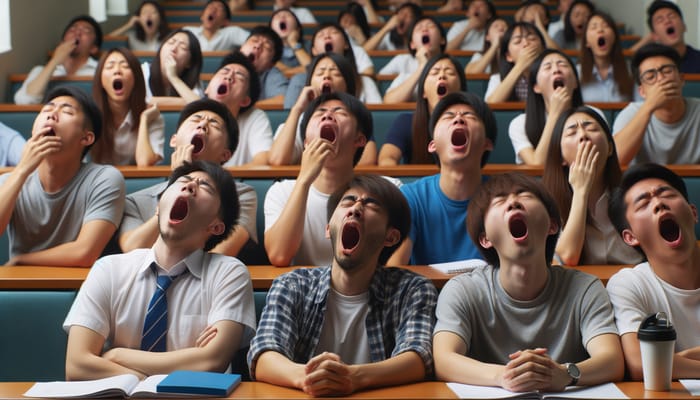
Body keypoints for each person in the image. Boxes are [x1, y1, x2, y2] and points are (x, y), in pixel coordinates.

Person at [64, 160, 256, 380]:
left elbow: (211, 361)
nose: (190, 186)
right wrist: (147, 380)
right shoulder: (108, 269)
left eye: (205, 187)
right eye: (183, 181)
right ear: (158, 207)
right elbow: (77, 366)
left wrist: (116, 355)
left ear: (216, 226)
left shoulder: (229, 274)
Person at [433, 172, 624, 391]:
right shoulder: (463, 290)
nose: (513, 202)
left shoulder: (584, 288)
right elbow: (443, 359)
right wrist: (502, 376)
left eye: (524, 195)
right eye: (500, 200)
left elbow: (612, 360)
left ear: (552, 226)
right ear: (485, 238)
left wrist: (565, 374)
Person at [248, 174, 437, 396]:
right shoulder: (292, 285)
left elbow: (418, 357)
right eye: (348, 201)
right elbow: (264, 354)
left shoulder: (412, 290)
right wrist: (306, 377)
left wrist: (354, 378)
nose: (355, 209)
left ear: (391, 237)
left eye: (370, 204)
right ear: (328, 229)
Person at [119, 99, 259, 262]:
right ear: (173, 140)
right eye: (196, 119)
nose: (203, 125)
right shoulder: (135, 201)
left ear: (225, 155)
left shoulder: (241, 195)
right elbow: (132, 251)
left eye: (214, 124)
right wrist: (177, 183)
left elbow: (219, 254)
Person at [0, 86, 125, 267]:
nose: (51, 115)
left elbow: (85, 252)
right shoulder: (9, 181)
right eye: (47, 110)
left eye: (66, 111)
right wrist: (21, 170)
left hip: (79, 287)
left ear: (86, 138)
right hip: (17, 289)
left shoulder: (104, 179)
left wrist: (21, 260)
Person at [606, 163, 700, 380]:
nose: (659, 204)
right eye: (643, 203)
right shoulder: (628, 284)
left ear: (693, 212)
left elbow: (655, 364)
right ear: (630, 237)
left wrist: (671, 361)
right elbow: (640, 364)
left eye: (666, 194)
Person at [388, 92, 496, 265]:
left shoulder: (503, 197)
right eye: (449, 116)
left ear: (487, 144)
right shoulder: (410, 197)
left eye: (469, 116)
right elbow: (395, 268)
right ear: (432, 145)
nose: (459, 119)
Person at [264, 92, 372, 267]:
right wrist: (304, 181)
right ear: (306, 142)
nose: (328, 115)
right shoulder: (281, 192)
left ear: (359, 139)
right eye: (319, 112)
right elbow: (279, 255)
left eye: (340, 112)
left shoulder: (383, 191)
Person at [542, 106, 643, 266]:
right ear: (561, 157)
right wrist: (580, 191)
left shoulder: (633, 193)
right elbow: (568, 256)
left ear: (610, 148)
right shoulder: (547, 202)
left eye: (591, 128)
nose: (583, 135)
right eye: (572, 132)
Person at [271, 53, 379, 167]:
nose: (326, 76)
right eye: (320, 73)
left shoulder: (353, 121)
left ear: (348, 85)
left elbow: (367, 160)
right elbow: (278, 160)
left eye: (336, 73)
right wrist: (297, 109)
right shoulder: (298, 121)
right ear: (310, 82)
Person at [612, 43, 700, 166]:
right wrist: (649, 106)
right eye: (650, 76)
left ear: (681, 79)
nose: (661, 79)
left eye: (667, 71)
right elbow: (616, 160)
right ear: (642, 91)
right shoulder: (631, 114)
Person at [379, 54, 466, 165]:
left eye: (450, 73)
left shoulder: (469, 124)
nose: (442, 76)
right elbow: (386, 159)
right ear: (423, 92)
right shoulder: (406, 121)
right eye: (435, 72)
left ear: (461, 90)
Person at [508, 49, 584, 165]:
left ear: (575, 83)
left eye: (562, 64)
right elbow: (537, 164)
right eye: (548, 67)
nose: (556, 70)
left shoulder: (592, 116)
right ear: (536, 87)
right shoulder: (519, 124)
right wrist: (555, 113)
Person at [91, 48, 164, 166]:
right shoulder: (90, 116)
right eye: (110, 67)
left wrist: (144, 120)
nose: (117, 71)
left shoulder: (152, 116)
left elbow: (145, 164)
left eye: (125, 66)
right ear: (101, 80)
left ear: (136, 78)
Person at [284, 23, 378, 108]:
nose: (327, 36)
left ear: (346, 44)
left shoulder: (364, 81)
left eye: (334, 32)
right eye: (321, 35)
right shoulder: (300, 80)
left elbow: (378, 114)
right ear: (314, 50)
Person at [14, 15, 102, 105]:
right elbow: (25, 102)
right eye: (72, 29)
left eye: (86, 31)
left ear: (94, 48)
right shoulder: (39, 71)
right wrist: (55, 60)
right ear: (62, 42)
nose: (77, 33)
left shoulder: (101, 71)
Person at [204, 51, 272, 167]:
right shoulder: (194, 117)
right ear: (207, 88)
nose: (229, 77)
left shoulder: (255, 117)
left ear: (245, 101)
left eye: (239, 76)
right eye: (224, 72)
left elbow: (262, 161)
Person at [381, 16, 447, 103]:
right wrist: (422, 67)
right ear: (412, 44)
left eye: (430, 26)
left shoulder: (451, 69)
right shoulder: (405, 77)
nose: (424, 29)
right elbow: (388, 102)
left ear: (442, 39)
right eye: (419, 28)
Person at [630, 0, 700, 74]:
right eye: (660, 20)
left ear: (684, 26)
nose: (667, 21)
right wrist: (652, 36)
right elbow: (627, 59)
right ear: (654, 35)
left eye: (671, 16)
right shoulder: (651, 65)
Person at [578, 11, 634, 103]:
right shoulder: (576, 74)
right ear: (587, 42)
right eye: (594, 27)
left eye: (605, 26)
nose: (600, 30)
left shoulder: (630, 71)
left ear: (614, 37)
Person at [484, 22, 545, 103]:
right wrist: (520, 66)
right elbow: (491, 104)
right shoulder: (497, 79)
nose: (526, 44)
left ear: (543, 49)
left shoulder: (553, 74)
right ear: (509, 56)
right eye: (517, 41)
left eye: (532, 39)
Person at [143, 29, 204, 106]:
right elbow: (141, 101)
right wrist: (185, 101)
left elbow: (199, 105)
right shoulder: (143, 72)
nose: (173, 49)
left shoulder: (194, 81)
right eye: (170, 42)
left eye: (183, 47)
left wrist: (173, 77)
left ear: (189, 63)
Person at [238, 26, 288, 102]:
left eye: (266, 46)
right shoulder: (227, 68)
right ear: (241, 47)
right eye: (254, 40)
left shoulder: (272, 74)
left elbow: (282, 100)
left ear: (272, 63)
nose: (258, 46)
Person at [184, 0, 249, 52]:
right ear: (202, 16)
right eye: (210, 7)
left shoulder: (232, 32)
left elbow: (254, 40)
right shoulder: (188, 31)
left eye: (219, 8)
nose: (213, 10)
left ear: (226, 22)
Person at [270, 8, 311, 75]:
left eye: (287, 15)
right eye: (277, 16)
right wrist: (302, 70)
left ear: (297, 26)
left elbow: (312, 69)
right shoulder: (268, 49)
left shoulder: (310, 45)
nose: (282, 17)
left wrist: (293, 43)